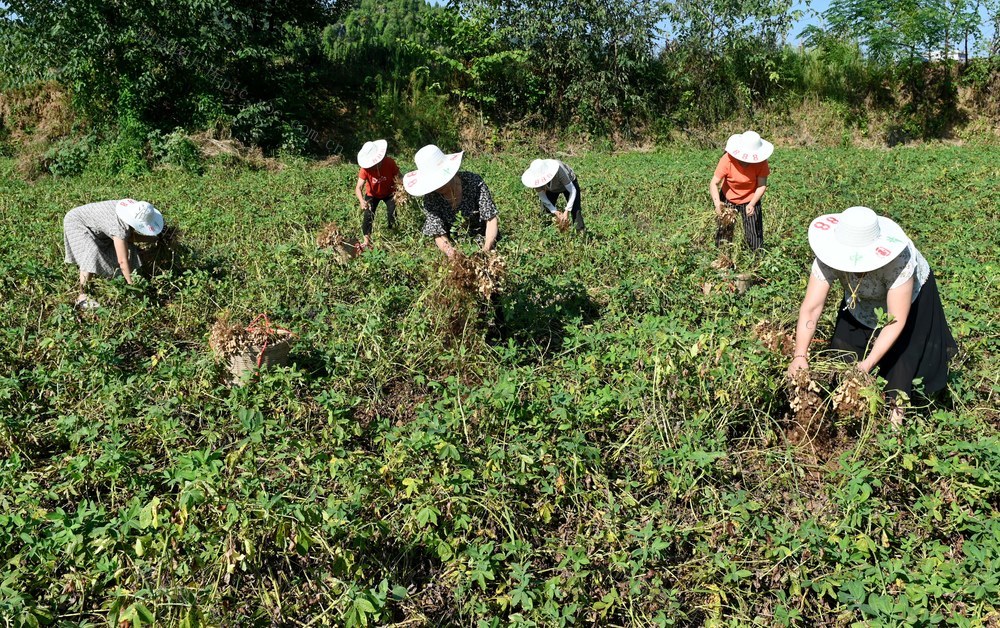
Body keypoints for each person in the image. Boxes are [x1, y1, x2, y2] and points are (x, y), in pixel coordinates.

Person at [787, 206, 957, 426]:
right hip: (861, 300)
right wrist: (800, 354)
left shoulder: (899, 261)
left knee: (901, 363)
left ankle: (893, 431)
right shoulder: (828, 255)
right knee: (843, 351)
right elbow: (812, 307)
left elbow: (895, 320)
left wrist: (867, 365)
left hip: (908, 302)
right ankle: (846, 418)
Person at [63, 199, 165, 309]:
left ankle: (121, 279)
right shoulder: (118, 226)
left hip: (96, 227)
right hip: (76, 223)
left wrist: (154, 239)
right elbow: (122, 260)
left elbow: (128, 237)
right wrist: (134, 287)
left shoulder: (133, 210)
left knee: (129, 248)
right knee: (91, 252)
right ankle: (82, 296)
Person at [403, 144, 499, 259]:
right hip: (456, 244)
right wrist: (449, 251)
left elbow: (491, 218)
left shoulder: (473, 182)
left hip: (484, 237)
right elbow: (437, 231)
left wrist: (486, 249)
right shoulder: (431, 197)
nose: (438, 187)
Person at [709, 130, 772, 251]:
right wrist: (718, 204)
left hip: (750, 198)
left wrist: (752, 203)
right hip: (728, 197)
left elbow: (762, 185)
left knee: (754, 233)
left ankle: (756, 260)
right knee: (724, 230)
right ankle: (723, 258)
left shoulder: (761, 163)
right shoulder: (727, 159)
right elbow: (714, 183)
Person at [355, 139, 400, 248]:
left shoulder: (389, 162)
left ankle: (393, 233)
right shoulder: (365, 169)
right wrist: (362, 201)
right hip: (372, 194)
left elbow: (399, 177)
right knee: (368, 216)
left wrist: (402, 190)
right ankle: (366, 241)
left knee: (392, 213)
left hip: (389, 192)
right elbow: (358, 187)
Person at [521, 158, 585, 233]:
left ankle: (581, 233)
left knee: (575, 209)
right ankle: (546, 233)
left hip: (569, 184)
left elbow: (572, 190)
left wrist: (567, 210)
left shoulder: (559, 169)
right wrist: (555, 211)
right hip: (551, 189)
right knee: (545, 211)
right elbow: (542, 197)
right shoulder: (535, 179)